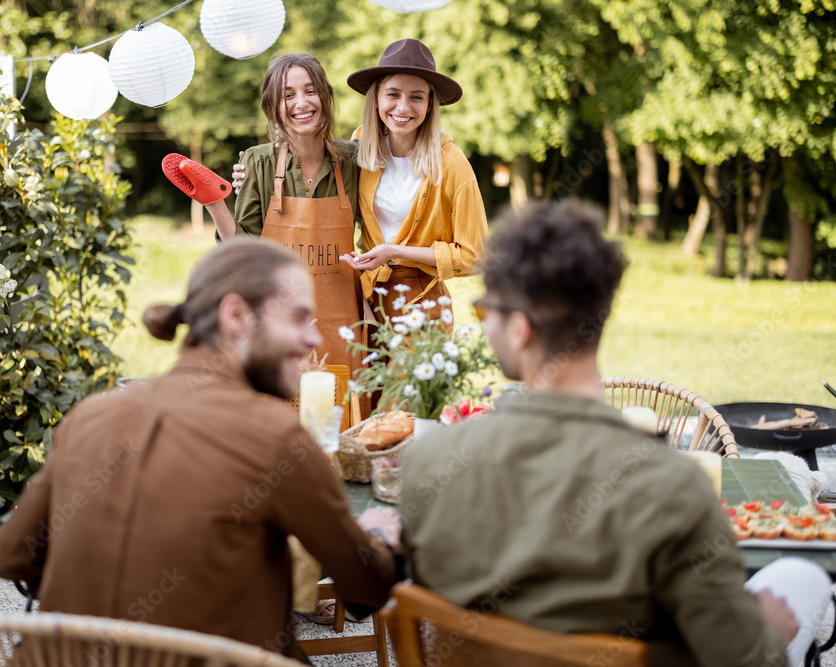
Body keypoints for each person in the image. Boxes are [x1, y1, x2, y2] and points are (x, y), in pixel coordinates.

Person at [399, 200, 830, 667]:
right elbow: (741, 658)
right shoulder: (673, 488)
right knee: (799, 579)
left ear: (520, 329)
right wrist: (767, 632)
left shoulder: (430, 463)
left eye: (486, 312)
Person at [0, 238, 400, 661]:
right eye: (298, 318)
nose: (313, 338)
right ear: (237, 315)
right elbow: (366, 589)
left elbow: (10, 556)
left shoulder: (89, 415)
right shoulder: (277, 437)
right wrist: (376, 535)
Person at [165, 53, 362, 373]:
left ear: (325, 96)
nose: (302, 103)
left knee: (344, 413)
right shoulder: (259, 161)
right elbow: (244, 249)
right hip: (277, 319)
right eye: (288, 95)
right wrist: (214, 203)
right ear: (273, 106)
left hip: (342, 320)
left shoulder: (353, 160)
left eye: (310, 91)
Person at [338, 38, 488, 325]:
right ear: (377, 98)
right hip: (365, 299)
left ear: (430, 104)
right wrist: (252, 173)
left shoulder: (452, 165)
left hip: (422, 303)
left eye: (416, 97)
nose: (403, 107)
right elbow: (311, 175)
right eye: (393, 94)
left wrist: (393, 252)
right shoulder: (361, 148)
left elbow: (475, 255)